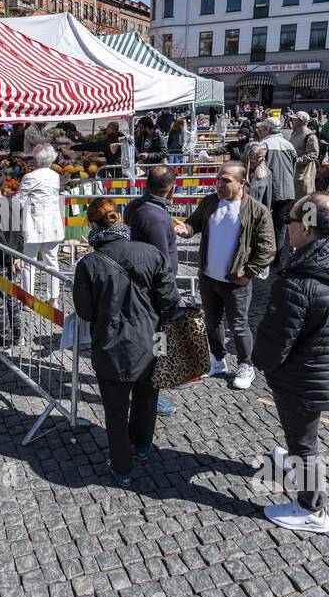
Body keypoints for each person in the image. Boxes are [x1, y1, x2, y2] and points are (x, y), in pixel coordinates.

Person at [253, 193, 329, 534]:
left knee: (303, 443)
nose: (285, 227)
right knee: (302, 434)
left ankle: (311, 508)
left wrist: (260, 362)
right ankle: (295, 466)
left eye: (289, 221)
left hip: (302, 379)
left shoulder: (296, 283)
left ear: (306, 228)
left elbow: (273, 345)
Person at [72, 198, 180, 488]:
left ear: (93, 225)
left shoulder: (89, 263)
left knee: (116, 409)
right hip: (153, 339)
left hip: (112, 342)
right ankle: (143, 447)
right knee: (147, 397)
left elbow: (85, 311)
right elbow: (169, 298)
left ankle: (122, 468)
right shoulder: (151, 252)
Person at [176, 162, 275, 390]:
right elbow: (195, 223)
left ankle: (245, 365)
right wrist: (187, 229)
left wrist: (247, 274)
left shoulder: (257, 211)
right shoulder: (210, 201)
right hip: (209, 278)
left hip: (236, 281)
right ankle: (217, 360)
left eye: (226, 180)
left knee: (239, 326)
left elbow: (268, 249)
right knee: (211, 323)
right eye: (218, 179)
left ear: (242, 182)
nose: (219, 184)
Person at [124, 166, 181, 417]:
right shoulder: (156, 217)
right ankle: (150, 392)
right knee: (157, 344)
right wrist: (169, 298)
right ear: (171, 189)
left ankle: (146, 384)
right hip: (153, 294)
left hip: (140, 288)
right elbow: (160, 263)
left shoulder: (136, 206)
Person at [18, 144, 64, 308]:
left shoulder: (30, 177)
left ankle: (28, 299)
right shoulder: (55, 176)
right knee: (52, 262)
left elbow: (20, 201)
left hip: (34, 224)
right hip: (52, 223)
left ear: (36, 159)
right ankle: (54, 299)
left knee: (28, 262)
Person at [0, 171, 25, 346]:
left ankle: (4, 340)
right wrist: (19, 256)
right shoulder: (14, 203)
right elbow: (20, 232)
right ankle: (17, 335)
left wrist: (11, 256)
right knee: (11, 297)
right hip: (12, 257)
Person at [256, 117, 297, 263]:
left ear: (267, 129)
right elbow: (294, 167)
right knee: (281, 226)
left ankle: (263, 255)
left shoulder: (264, 144)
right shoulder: (288, 144)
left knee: (263, 223)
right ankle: (276, 258)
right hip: (288, 190)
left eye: (262, 128)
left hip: (269, 190)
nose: (260, 130)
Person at [288, 112, 320, 197]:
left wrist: (296, 161)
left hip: (304, 172)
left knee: (303, 195)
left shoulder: (310, 136)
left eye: (294, 119)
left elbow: (313, 154)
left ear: (301, 121)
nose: (292, 121)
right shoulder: (294, 133)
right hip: (293, 170)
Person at [243, 141, 272, 210]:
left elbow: (267, 199)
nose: (263, 159)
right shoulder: (238, 171)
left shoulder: (266, 173)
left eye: (264, 156)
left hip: (257, 213)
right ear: (250, 156)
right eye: (260, 157)